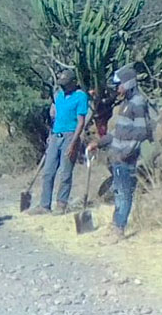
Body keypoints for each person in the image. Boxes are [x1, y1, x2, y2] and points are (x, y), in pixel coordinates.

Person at [87, 64, 154, 239]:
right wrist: (98, 143)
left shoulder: (138, 103)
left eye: (119, 85)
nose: (117, 89)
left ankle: (119, 229)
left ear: (129, 84)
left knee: (124, 194)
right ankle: (115, 224)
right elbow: (117, 133)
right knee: (118, 192)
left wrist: (126, 154)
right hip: (117, 158)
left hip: (125, 159)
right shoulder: (125, 104)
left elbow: (141, 133)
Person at [27, 69, 88, 215]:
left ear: (73, 83)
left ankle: (61, 204)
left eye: (66, 84)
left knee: (65, 173)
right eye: (62, 84)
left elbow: (81, 122)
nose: (63, 87)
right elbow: (56, 118)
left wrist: (74, 143)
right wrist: (51, 135)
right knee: (48, 171)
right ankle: (44, 205)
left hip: (70, 136)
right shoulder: (58, 96)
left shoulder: (80, 97)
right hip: (56, 136)